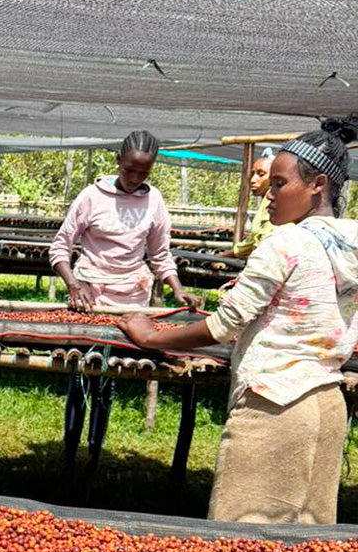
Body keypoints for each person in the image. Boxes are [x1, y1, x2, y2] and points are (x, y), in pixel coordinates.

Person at [119, 117, 358, 524]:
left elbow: (223, 325)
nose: (268, 195)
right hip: (329, 407)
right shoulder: (353, 239)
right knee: (309, 548)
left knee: (243, 541)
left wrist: (151, 336)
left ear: (318, 184)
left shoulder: (284, 242)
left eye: (279, 184)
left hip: (274, 405)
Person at [48, 130, 200, 471]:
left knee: (108, 378)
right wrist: (73, 284)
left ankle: (95, 454)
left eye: (143, 173)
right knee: (81, 372)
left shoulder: (154, 201)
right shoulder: (91, 196)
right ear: (118, 161)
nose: (134, 178)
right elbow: (60, 247)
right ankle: (70, 452)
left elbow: (160, 255)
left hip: (131, 300)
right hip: (90, 297)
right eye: (129, 170)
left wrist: (177, 288)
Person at [227, 148, 276, 259]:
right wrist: (228, 254)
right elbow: (254, 238)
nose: (253, 180)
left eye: (261, 174)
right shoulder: (265, 201)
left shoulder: (276, 201)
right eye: (253, 174)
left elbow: (265, 238)